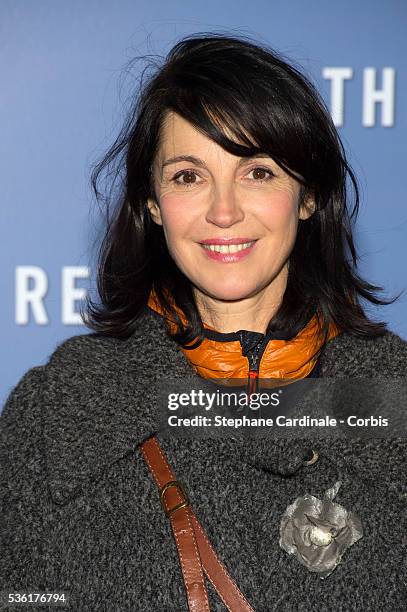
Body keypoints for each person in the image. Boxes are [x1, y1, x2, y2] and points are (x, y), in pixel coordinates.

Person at [1, 32, 407, 611]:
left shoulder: (393, 396)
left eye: (258, 172)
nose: (223, 211)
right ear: (151, 203)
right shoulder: (63, 409)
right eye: (188, 176)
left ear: (309, 196)